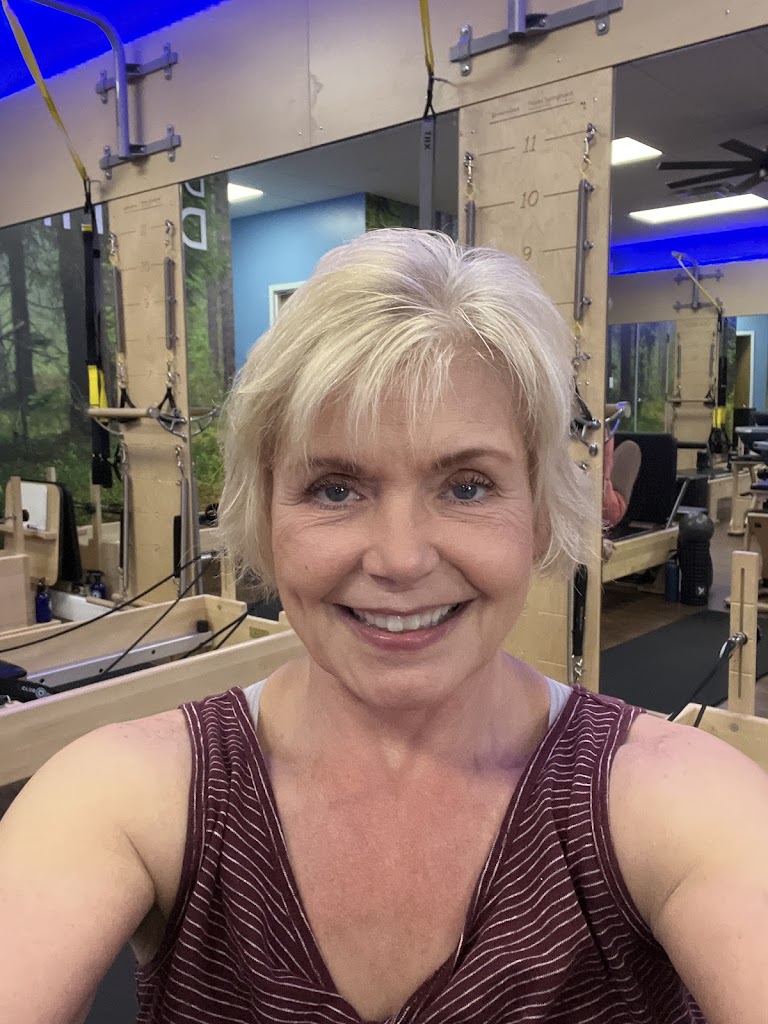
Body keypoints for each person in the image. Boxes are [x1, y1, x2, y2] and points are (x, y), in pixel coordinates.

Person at [1, 229, 767, 1024]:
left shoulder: (681, 803)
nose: (400, 560)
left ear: (539, 514)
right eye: (335, 489)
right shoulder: (126, 796)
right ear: (266, 517)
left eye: (467, 486)